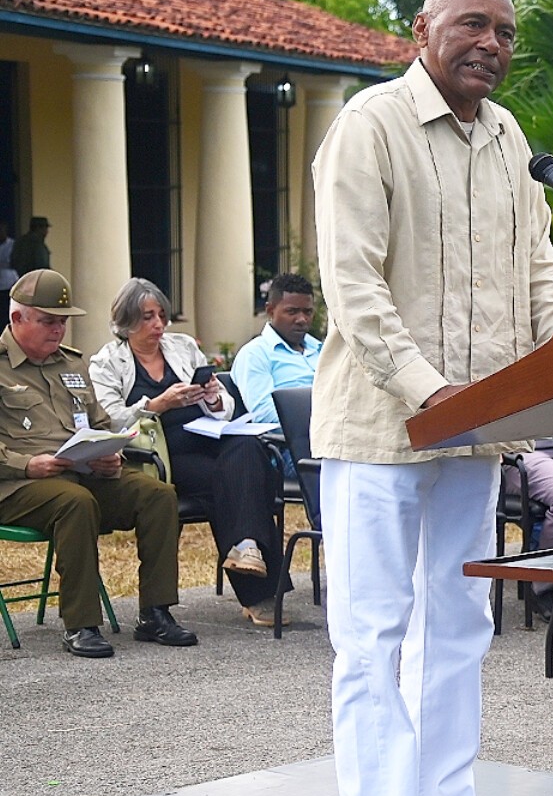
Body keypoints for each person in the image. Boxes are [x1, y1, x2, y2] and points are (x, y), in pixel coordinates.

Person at [312, 0, 553, 796]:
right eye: (472, 24)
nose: (490, 43)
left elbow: (537, 274)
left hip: (477, 430)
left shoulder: (508, 141)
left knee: (459, 624)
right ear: (421, 30)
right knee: (374, 632)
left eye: (505, 31)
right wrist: (434, 394)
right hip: (382, 427)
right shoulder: (369, 126)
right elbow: (353, 287)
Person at [0, 270, 194, 657]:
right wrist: (27, 464)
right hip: (17, 486)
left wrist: (111, 452)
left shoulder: (72, 365)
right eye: (48, 321)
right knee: (74, 502)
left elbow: (101, 424)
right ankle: (81, 624)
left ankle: (155, 613)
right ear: (17, 318)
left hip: (82, 476)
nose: (59, 330)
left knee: (157, 494)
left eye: (64, 321)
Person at [89, 277, 290, 621]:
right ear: (125, 322)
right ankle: (255, 579)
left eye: (162, 315)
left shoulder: (182, 346)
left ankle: (247, 548)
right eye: (147, 317)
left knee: (245, 445)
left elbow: (226, 405)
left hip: (209, 438)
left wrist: (212, 398)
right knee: (236, 478)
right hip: (160, 456)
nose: (158, 325)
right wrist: (157, 404)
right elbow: (110, 421)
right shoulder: (107, 362)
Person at [230, 271, 322, 427]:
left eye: (307, 312)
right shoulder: (256, 354)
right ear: (270, 310)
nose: (302, 320)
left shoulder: (322, 350)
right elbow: (264, 414)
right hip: (296, 443)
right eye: (292, 312)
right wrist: (324, 422)